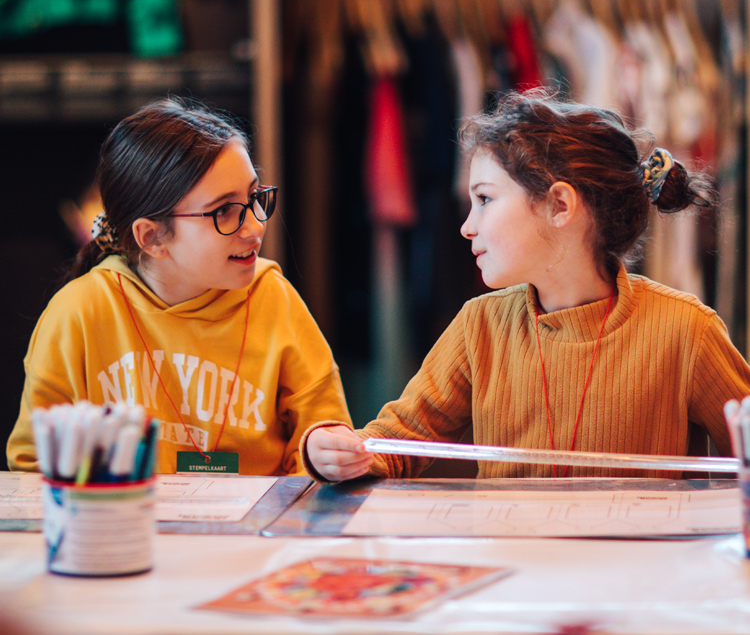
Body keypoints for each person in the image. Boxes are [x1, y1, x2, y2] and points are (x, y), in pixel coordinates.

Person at [303, 90, 750, 482]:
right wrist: (337, 452)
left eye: (484, 200)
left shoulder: (687, 330)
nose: (466, 227)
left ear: (559, 204)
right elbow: (392, 445)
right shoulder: (480, 325)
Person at [7, 96, 352, 475]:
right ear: (152, 237)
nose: (255, 227)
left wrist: (323, 455)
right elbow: (35, 466)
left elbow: (323, 437)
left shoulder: (274, 298)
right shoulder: (78, 314)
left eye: (254, 197)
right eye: (224, 210)